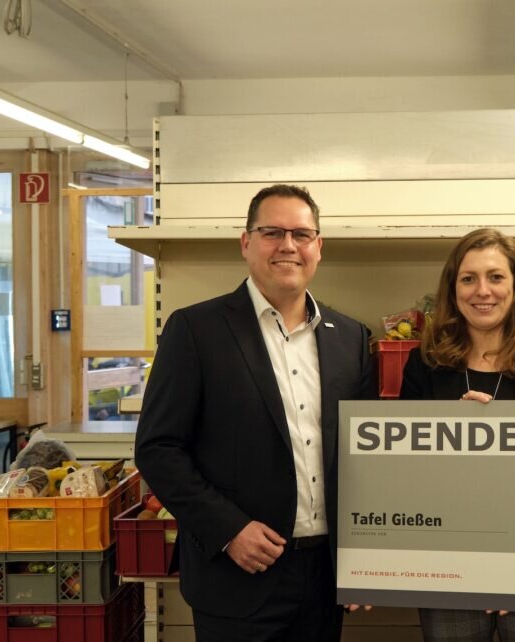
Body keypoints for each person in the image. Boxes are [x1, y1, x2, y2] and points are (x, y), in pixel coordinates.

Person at [135, 184, 375, 642]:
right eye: (272, 232)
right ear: (246, 243)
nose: (288, 245)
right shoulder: (195, 330)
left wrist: (365, 553)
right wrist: (230, 530)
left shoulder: (350, 338)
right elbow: (158, 449)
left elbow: (363, 456)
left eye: (301, 234)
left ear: (318, 247)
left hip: (325, 578)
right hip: (237, 577)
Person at [400, 227, 515, 641]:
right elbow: (404, 472)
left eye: (496, 277)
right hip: (449, 563)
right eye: (469, 278)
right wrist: (449, 437)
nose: (483, 291)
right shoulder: (425, 363)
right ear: (453, 288)